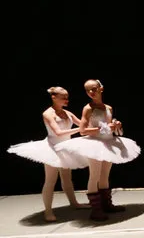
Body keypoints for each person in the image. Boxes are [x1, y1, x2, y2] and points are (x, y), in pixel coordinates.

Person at [55, 79, 141, 221]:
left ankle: (107, 204)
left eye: (94, 89)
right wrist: (103, 128)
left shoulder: (108, 107)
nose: (91, 92)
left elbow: (109, 126)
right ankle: (95, 209)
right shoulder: (88, 108)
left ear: (101, 88)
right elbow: (82, 130)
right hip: (95, 143)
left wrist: (115, 125)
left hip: (108, 142)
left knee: (104, 175)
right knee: (94, 175)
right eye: (88, 90)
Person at [7, 86, 89, 221]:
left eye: (67, 97)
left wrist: (103, 127)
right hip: (52, 148)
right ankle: (48, 211)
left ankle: (74, 203)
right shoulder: (48, 113)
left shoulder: (68, 113)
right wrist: (79, 129)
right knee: (50, 180)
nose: (66, 100)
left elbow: (84, 127)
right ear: (54, 97)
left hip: (66, 147)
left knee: (67, 178)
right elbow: (58, 132)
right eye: (63, 98)